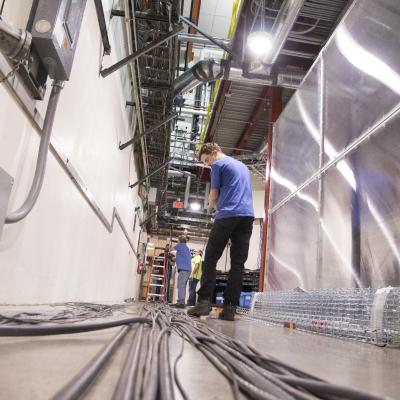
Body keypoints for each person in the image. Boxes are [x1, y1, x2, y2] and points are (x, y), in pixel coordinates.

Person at [188, 143, 254, 320]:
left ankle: (203, 302)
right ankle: (230, 308)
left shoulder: (219, 165)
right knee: (238, 263)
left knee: (210, 258)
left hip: (227, 215)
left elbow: (214, 193)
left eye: (207, 160)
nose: (208, 164)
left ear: (215, 152)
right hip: (247, 217)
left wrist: (209, 207)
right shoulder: (243, 166)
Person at [172, 235, 192, 308]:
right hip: (186, 270)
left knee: (181, 286)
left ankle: (181, 303)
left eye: (178, 240)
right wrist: (175, 258)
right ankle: (181, 302)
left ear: (179, 241)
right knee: (182, 286)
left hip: (184, 270)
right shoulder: (185, 248)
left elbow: (172, 248)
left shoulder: (180, 245)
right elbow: (181, 258)